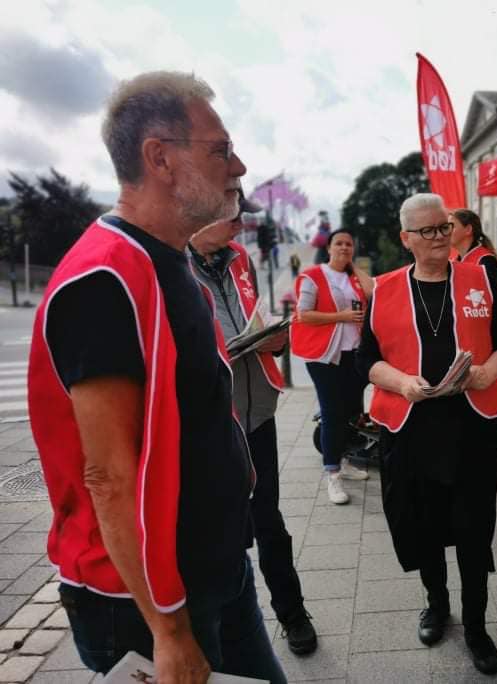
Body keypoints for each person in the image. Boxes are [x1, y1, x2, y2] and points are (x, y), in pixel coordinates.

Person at [27, 71, 286, 682]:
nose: (239, 165)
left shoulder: (173, 262)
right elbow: (109, 475)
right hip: (148, 603)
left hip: (214, 569)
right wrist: (167, 630)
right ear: (160, 157)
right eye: (221, 149)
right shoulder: (105, 278)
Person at [357, 193, 497, 676]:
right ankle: (436, 603)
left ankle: (476, 625)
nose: (439, 238)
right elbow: (366, 361)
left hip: (472, 426)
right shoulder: (383, 289)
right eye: (427, 231)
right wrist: (403, 383)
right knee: (422, 524)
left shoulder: (480, 280)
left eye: (444, 227)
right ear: (405, 239)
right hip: (411, 428)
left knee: (474, 529)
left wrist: (491, 370)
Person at [188, 192, 317, 656]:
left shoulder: (238, 257)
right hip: (209, 423)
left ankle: (293, 613)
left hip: (257, 411)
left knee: (269, 519)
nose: (243, 226)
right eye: (235, 218)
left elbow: (250, 316)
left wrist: (274, 339)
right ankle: (226, 624)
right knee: (221, 528)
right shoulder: (168, 264)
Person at [292, 229, 373, 505]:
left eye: (349, 244)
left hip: (353, 353)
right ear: (328, 247)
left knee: (353, 411)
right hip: (325, 355)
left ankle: (345, 460)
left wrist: (352, 266)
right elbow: (304, 314)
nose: (344, 248)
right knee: (332, 412)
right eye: (338, 243)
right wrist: (341, 316)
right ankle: (333, 474)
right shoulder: (313, 275)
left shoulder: (353, 277)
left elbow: (373, 291)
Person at [449, 208, 497, 289]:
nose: (447, 231)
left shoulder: (486, 260)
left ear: (468, 230)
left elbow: (492, 298)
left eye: (452, 226)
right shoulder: (455, 261)